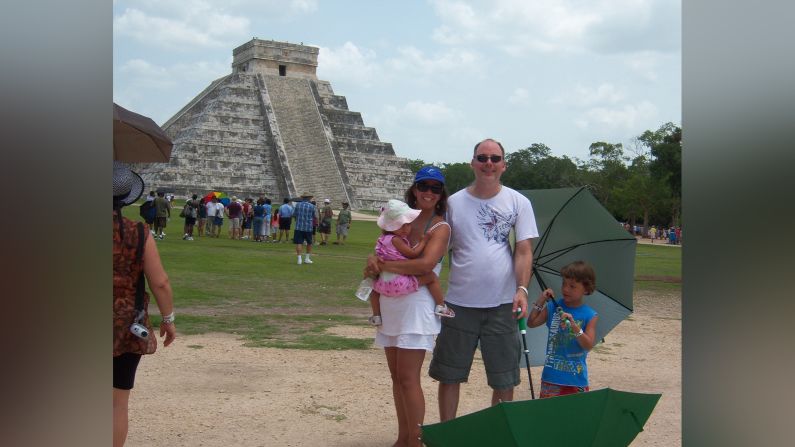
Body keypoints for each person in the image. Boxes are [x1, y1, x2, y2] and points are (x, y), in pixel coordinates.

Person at [428, 138, 538, 422]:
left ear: (504, 165)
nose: (488, 163)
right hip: (459, 303)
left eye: (494, 158)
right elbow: (438, 250)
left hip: (502, 303)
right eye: (482, 157)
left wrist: (523, 289)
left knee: (504, 380)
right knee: (449, 375)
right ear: (472, 163)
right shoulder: (453, 203)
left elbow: (524, 250)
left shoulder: (518, 202)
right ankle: (448, 433)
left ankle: (498, 434)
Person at [364, 166, 451, 447]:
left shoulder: (440, 226)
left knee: (408, 377)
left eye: (434, 188)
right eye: (423, 186)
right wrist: (372, 262)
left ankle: (415, 441)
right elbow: (378, 254)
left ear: (441, 195)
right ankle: (403, 438)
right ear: (414, 190)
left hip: (416, 305)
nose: (428, 192)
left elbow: (425, 264)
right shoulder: (397, 222)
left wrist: (384, 265)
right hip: (390, 302)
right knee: (396, 377)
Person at [113, 162, 176, 447]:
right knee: (116, 403)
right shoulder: (139, 233)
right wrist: (168, 319)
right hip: (126, 326)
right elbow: (159, 282)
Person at [366, 199, 455, 326]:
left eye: (408, 224)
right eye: (402, 225)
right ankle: (441, 305)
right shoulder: (396, 240)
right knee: (431, 277)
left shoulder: (381, 240)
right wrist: (424, 241)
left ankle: (376, 315)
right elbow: (412, 254)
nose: (407, 228)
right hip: (398, 283)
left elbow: (377, 256)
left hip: (382, 284)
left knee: (373, 290)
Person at [527, 261, 599, 398]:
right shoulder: (554, 307)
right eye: (564, 284)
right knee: (548, 416)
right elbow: (531, 323)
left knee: (575, 418)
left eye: (572, 286)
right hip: (551, 377)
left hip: (576, 380)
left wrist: (573, 325)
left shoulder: (590, 315)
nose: (566, 289)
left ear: (586, 289)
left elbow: (588, 345)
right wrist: (541, 300)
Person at [293, 193, 316, 264]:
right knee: (309, 243)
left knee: (299, 242)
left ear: (302, 198)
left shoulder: (298, 205)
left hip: (299, 227)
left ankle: (299, 259)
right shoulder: (312, 206)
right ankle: (307, 258)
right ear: (309, 198)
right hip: (308, 227)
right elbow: (313, 216)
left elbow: (294, 215)